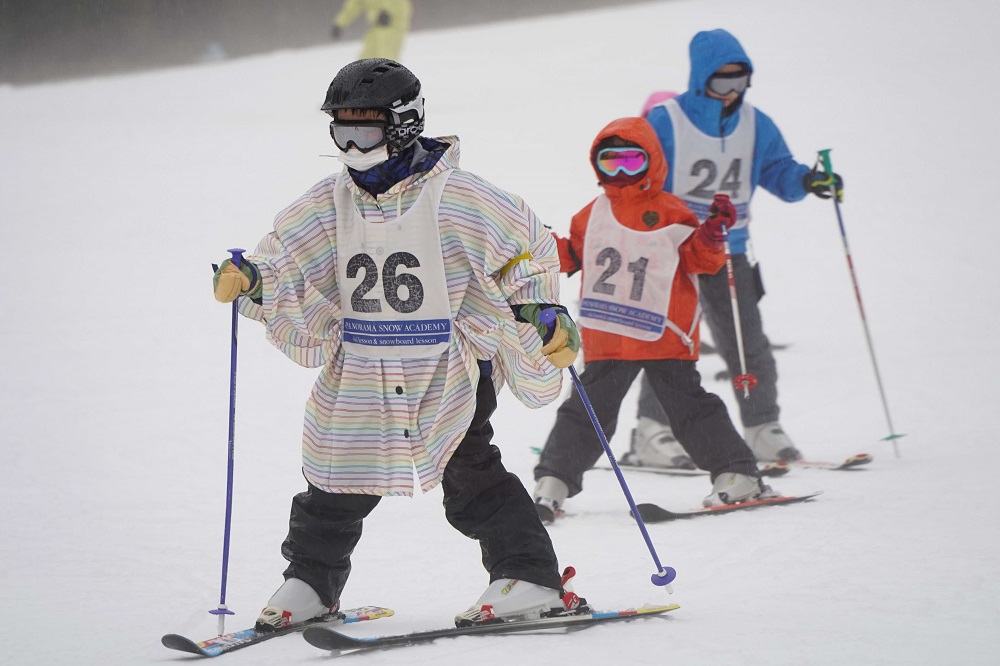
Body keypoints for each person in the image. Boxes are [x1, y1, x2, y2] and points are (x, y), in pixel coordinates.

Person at [211, 58, 586, 630]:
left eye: (366, 131)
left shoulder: (460, 197)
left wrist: (540, 313)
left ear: (405, 123)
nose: (353, 147)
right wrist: (256, 278)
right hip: (362, 365)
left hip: (449, 364)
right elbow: (288, 261)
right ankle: (311, 581)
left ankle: (529, 576)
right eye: (341, 132)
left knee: (469, 471)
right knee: (335, 476)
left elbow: (523, 255)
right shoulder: (328, 203)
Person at [531, 116, 775, 522]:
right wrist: (531, 248)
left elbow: (701, 258)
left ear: (652, 162)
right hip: (608, 334)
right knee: (586, 412)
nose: (623, 173)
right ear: (597, 166)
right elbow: (571, 253)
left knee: (691, 409)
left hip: (665, 334)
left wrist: (714, 233)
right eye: (612, 164)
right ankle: (553, 482)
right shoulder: (590, 214)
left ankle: (736, 472)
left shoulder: (672, 212)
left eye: (632, 161)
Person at [626, 29, 844, 467]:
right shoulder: (667, 119)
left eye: (740, 82)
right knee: (669, 341)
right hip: (674, 250)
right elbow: (638, 176)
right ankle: (652, 432)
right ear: (699, 78)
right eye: (721, 82)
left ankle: (762, 426)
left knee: (747, 340)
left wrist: (806, 180)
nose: (731, 93)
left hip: (730, 249)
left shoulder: (755, 124)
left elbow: (777, 167)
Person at [331, 0, 413, 61]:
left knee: (386, 57)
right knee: (366, 59)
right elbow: (354, 5)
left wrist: (387, 11)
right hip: (375, 24)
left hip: (393, 23)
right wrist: (340, 23)